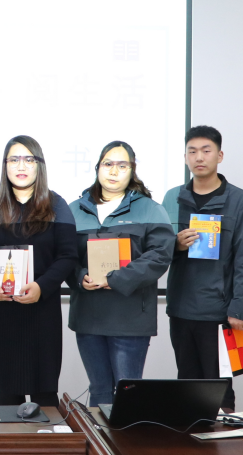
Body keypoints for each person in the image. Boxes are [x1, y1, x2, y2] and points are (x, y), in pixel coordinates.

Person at [0, 136, 77, 407]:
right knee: (8, 395)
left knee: (44, 394)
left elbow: (68, 255)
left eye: (29, 159)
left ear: (39, 165)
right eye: (14, 159)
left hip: (41, 310)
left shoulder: (56, 205)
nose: (21, 166)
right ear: (5, 165)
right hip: (2, 310)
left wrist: (42, 287)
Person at [161, 126, 243, 412]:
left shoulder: (240, 201)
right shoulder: (172, 198)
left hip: (221, 312)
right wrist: (175, 245)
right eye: (192, 151)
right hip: (181, 309)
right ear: (185, 157)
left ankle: (223, 439)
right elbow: (156, 250)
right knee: (187, 384)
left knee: (221, 386)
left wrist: (239, 307)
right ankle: (190, 439)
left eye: (206, 151)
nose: (199, 157)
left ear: (220, 155)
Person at [70, 141, 173, 407]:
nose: (113, 171)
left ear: (132, 170)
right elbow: (64, 257)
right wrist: (80, 276)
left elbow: (159, 256)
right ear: (97, 168)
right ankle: (98, 437)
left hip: (130, 318)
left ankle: (126, 437)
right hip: (89, 317)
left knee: (128, 394)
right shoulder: (74, 209)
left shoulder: (151, 209)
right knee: (99, 390)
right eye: (108, 164)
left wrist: (114, 278)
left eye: (122, 165)